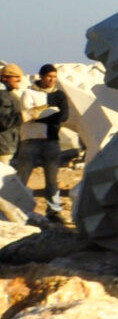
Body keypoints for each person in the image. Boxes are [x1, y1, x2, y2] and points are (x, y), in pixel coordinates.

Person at [17, 67, 71, 224]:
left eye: (54, 77)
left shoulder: (59, 95)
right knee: (23, 175)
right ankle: (17, 207)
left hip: (51, 140)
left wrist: (41, 114)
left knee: (52, 179)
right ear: (41, 77)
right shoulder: (28, 93)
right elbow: (27, 114)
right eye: (48, 76)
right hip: (30, 139)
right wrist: (49, 113)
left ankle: (53, 211)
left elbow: (64, 116)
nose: (51, 80)